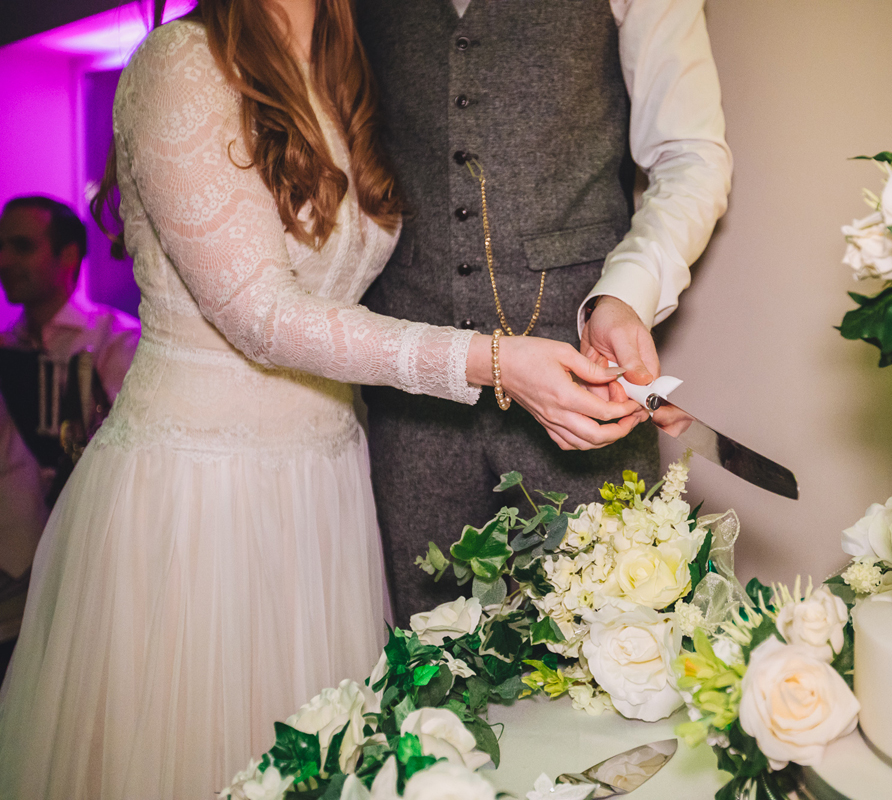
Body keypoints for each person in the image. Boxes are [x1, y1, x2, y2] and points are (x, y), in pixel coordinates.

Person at [0, 0, 643, 796]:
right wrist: (495, 363)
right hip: (202, 497)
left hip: (328, 488)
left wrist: (604, 379)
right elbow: (263, 317)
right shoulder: (181, 62)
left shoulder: (347, 70)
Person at [356, 0, 733, 622]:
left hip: (588, 388)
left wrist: (624, 296)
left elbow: (690, 156)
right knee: (431, 679)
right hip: (410, 403)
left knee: (614, 653)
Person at [0, 196, 140, 654]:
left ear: (67, 257)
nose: (4, 260)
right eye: (1, 246)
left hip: (80, 574)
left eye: (21, 246)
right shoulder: (4, 347)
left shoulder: (115, 339)